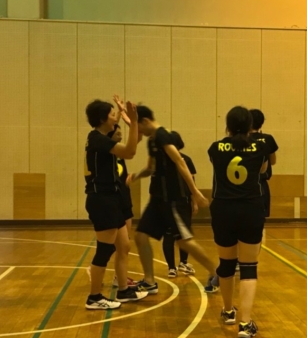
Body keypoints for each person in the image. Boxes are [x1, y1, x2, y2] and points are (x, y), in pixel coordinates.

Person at [131, 105, 219, 293]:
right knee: (140, 236)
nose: (139, 132)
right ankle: (149, 281)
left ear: (145, 121)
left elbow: (180, 162)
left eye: (139, 127)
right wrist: (135, 176)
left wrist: (195, 192)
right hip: (157, 199)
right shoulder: (152, 141)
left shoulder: (163, 136)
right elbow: (151, 168)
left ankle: (216, 273)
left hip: (172, 199)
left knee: (184, 241)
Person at [209, 106, 269, 338]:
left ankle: (227, 311)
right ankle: (245, 323)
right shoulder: (261, 147)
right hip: (250, 208)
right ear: (251, 126)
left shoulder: (215, 148)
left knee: (226, 263)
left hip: (223, 209)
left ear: (228, 125)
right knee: (248, 266)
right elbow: (263, 169)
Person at [83, 98, 148, 310]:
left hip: (112, 198)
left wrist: (128, 119)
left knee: (123, 245)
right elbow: (130, 151)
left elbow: (132, 141)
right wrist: (134, 121)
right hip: (101, 200)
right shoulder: (97, 139)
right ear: (102, 119)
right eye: (112, 115)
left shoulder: (101, 137)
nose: (115, 118)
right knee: (105, 250)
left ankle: (123, 290)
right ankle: (94, 297)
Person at [161, 131, 197, 278]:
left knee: (185, 234)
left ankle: (183, 262)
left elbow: (191, 182)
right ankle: (171, 267)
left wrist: (194, 201)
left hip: (183, 202)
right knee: (169, 235)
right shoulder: (161, 162)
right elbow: (155, 184)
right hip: (167, 202)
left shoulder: (186, 160)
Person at [248, 109, 278, 220]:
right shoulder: (268, 139)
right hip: (261, 184)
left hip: (243, 185)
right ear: (261, 123)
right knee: (260, 219)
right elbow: (273, 161)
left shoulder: (242, 139)